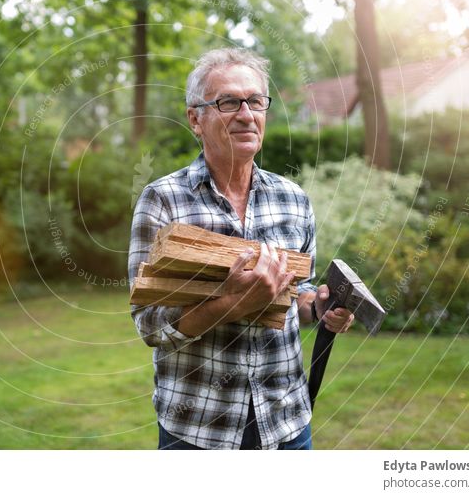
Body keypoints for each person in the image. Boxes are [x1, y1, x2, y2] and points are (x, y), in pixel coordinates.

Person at [128, 47, 354, 450]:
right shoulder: (163, 200)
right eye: (228, 102)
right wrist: (229, 304)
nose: (246, 114)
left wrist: (319, 307)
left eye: (255, 101)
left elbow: (297, 295)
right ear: (196, 119)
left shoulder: (294, 199)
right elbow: (149, 323)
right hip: (199, 430)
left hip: (286, 424)